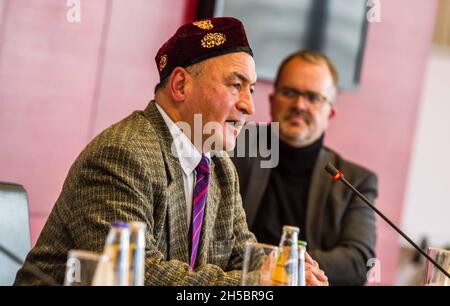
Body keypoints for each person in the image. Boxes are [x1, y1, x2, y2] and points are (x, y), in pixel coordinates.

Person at [14, 18, 328, 286]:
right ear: (180, 85)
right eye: (235, 85)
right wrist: (261, 280)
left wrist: (288, 269)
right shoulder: (122, 154)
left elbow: (242, 255)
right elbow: (138, 276)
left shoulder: (219, 166)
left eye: (251, 89)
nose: (249, 105)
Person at [232, 50, 378, 286]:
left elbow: (359, 262)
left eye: (312, 97)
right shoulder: (234, 147)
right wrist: (273, 265)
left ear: (330, 113)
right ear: (272, 100)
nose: (299, 105)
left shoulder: (355, 181)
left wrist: (288, 268)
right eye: (290, 93)